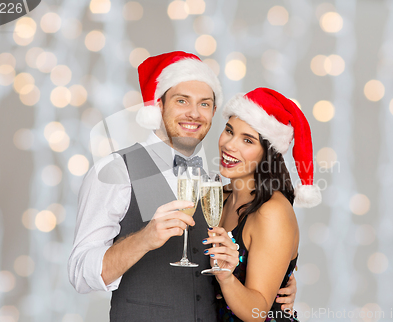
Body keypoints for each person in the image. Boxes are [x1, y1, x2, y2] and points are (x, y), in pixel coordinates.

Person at [68, 52, 298, 321]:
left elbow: (258, 255)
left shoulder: (217, 185)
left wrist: (281, 283)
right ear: (159, 105)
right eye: (181, 100)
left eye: (204, 103)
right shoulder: (115, 171)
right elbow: (79, 273)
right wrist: (144, 239)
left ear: (213, 112)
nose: (193, 113)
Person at [202, 88, 322, 321]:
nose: (230, 145)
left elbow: (258, 311)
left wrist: (226, 277)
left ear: (267, 154)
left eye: (247, 140)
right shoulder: (218, 197)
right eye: (229, 131)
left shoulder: (272, 212)